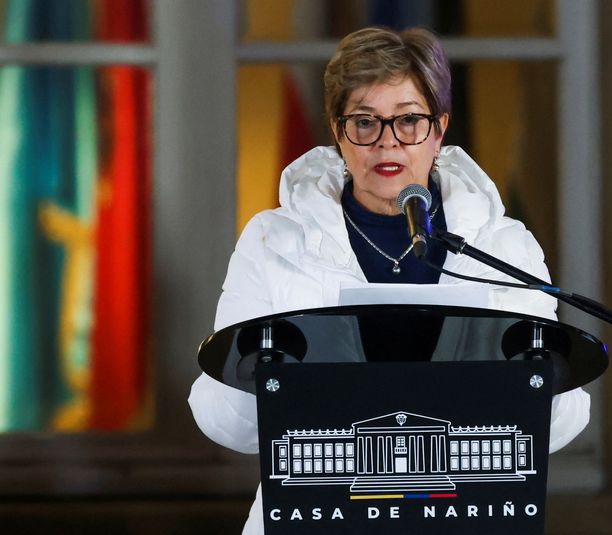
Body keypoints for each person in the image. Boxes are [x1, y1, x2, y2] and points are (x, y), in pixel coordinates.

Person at [188, 26, 590, 534]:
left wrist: (533, 383)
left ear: (439, 129)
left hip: (462, 515)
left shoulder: (501, 246)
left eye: (408, 121)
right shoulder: (273, 241)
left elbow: (555, 425)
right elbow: (227, 422)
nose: (387, 142)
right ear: (338, 131)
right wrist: (262, 378)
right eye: (365, 122)